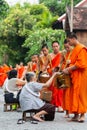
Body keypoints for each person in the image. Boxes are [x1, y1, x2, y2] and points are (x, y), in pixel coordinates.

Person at [62, 32, 87, 122]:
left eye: (69, 41)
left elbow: (81, 64)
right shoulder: (75, 49)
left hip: (81, 76)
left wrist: (68, 69)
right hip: (74, 76)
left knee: (81, 95)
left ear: (73, 38)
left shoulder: (82, 48)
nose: (68, 43)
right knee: (74, 94)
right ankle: (76, 115)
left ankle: (82, 114)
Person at [48, 41, 64, 112]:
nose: (55, 48)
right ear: (52, 47)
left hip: (60, 74)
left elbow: (64, 63)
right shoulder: (49, 55)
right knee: (53, 90)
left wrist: (60, 66)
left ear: (59, 46)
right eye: (54, 46)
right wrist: (50, 69)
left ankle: (60, 105)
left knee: (60, 91)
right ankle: (53, 105)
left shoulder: (62, 54)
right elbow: (46, 66)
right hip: (52, 74)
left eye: (56, 46)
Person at [61, 39, 73, 118]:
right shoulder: (63, 53)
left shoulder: (74, 51)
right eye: (65, 48)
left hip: (72, 74)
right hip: (65, 74)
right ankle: (67, 112)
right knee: (65, 94)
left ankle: (74, 111)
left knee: (72, 94)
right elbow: (61, 62)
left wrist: (70, 62)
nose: (67, 49)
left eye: (68, 47)